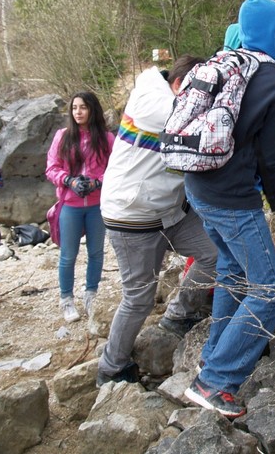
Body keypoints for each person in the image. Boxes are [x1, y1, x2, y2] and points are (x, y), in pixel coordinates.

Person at [183, 0, 275, 418]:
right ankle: (215, 380)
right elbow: (270, 157)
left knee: (234, 270)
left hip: (196, 184)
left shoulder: (226, 62)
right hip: (231, 197)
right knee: (269, 289)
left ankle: (212, 356)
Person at [96, 55, 218, 387]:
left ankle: (180, 313)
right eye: (200, 93)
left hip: (168, 211)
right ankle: (110, 367)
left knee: (214, 253)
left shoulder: (172, 97)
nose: (205, 103)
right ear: (179, 85)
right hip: (131, 216)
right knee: (139, 298)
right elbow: (203, 128)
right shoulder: (153, 100)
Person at [45, 92, 114, 323]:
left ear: (92, 109)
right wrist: (69, 180)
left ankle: (90, 295)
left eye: (83, 107)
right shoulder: (63, 136)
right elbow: (51, 168)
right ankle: (66, 299)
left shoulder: (106, 139)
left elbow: (115, 169)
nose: (78, 112)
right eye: (74, 108)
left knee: (96, 253)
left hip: (96, 205)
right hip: (70, 204)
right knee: (68, 255)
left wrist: (97, 181)